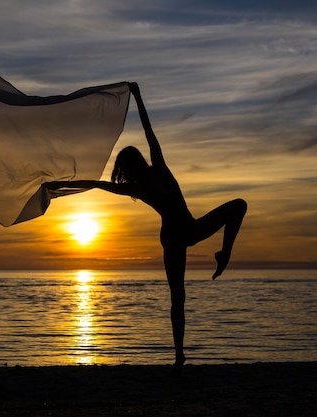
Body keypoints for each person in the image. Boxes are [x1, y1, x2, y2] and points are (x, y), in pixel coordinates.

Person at [46, 83, 247, 372]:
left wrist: (60, 184)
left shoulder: (147, 180)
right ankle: (179, 355)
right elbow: (103, 179)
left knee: (180, 296)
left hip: (179, 235)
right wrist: (59, 185)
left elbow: (100, 180)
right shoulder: (147, 180)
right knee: (178, 296)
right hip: (183, 234)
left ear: (128, 167)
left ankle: (222, 257)